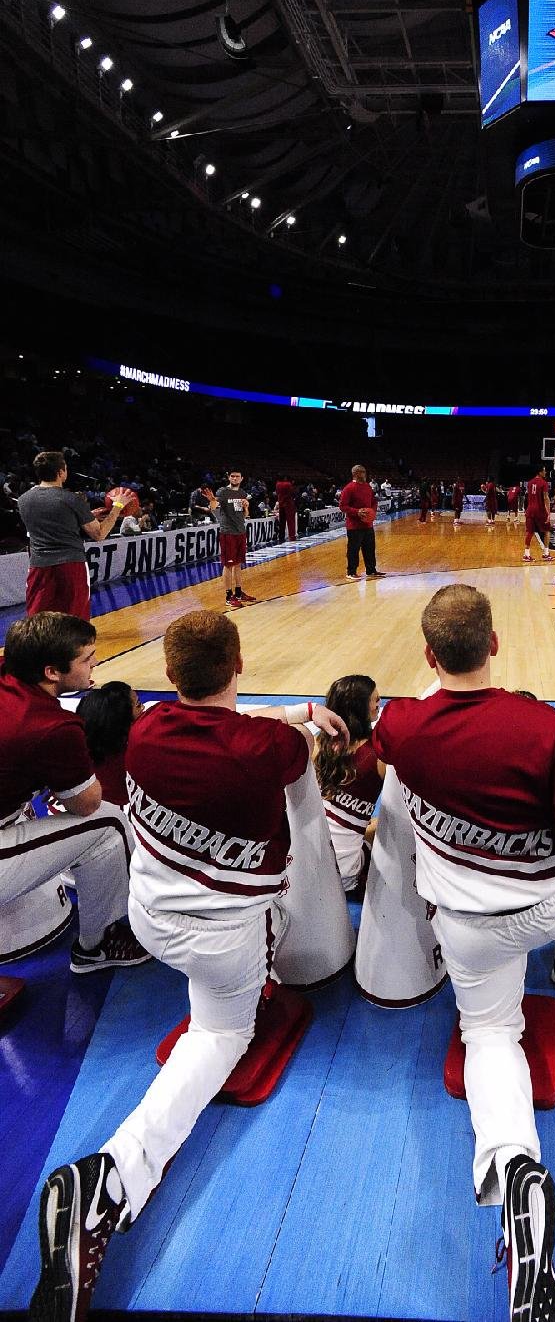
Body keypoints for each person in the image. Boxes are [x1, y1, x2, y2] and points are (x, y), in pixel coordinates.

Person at [28, 611, 350, 1322]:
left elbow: (223, 721)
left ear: (170, 679)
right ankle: (111, 1176)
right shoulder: (272, 747)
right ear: (240, 662)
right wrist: (303, 719)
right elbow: (283, 756)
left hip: (148, 920)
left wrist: (296, 710)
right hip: (222, 938)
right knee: (219, 1037)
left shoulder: (146, 730)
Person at [369, 585, 555, 1322]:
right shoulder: (546, 727)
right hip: (543, 909)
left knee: (490, 1035)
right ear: (497, 646)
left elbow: (384, 754)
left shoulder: (401, 725)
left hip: (466, 925)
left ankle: (512, 1165)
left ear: (429, 655)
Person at [0, 612, 149, 974]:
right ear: (51, 672)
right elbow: (87, 804)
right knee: (110, 823)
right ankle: (96, 947)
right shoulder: (53, 727)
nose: (95, 663)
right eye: (86, 658)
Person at [17, 450, 127, 618]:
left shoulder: (23, 499)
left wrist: (82, 516)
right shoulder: (71, 499)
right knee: (75, 622)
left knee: (39, 621)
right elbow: (99, 534)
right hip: (70, 565)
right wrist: (118, 506)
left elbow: (50, 520)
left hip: (38, 565)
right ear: (61, 472)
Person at [314, 673, 384, 895]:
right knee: (382, 825)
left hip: (307, 869)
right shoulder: (377, 755)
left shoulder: (317, 743)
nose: (379, 704)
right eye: (375, 700)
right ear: (361, 709)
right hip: (347, 876)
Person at [77, 680, 144, 813]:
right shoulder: (132, 755)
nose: (143, 708)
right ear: (122, 719)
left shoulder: (74, 746)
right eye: (138, 705)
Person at [204, 471, 258, 611]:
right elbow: (214, 508)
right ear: (229, 478)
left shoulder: (242, 493)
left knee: (238, 564)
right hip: (228, 533)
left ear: (242, 478)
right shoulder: (223, 491)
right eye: (232, 476)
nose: (234, 478)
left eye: (237, 476)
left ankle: (239, 593)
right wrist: (211, 500)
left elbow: (245, 515)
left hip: (241, 531)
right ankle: (229, 596)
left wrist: (246, 507)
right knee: (228, 565)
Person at [339, 464, 382, 579]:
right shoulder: (348, 488)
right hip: (354, 525)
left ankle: (371, 570)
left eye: (364, 471)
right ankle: (351, 572)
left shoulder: (368, 487)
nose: (365, 473)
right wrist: (357, 512)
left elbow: (374, 501)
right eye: (362, 472)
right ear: (355, 473)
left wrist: (372, 511)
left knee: (370, 548)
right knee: (353, 549)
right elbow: (342, 506)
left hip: (368, 524)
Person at [522, 465, 553, 563]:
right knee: (547, 531)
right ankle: (546, 553)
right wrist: (548, 512)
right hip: (540, 510)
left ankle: (526, 554)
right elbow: (545, 498)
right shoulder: (544, 483)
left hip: (530, 510)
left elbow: (528, 497)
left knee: (529, 532)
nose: (546, 472)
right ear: (539, 472)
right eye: (544, 470)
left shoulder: (530, 483)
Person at [274, 476, 297, 543]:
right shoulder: (288, 484)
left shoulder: (277, 484)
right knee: (291, 521)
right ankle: (292, 536)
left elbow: (277, 493)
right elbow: (292, 493)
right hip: (288, 504)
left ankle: (281, 536)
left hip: (281, 503)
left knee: (282, 522)